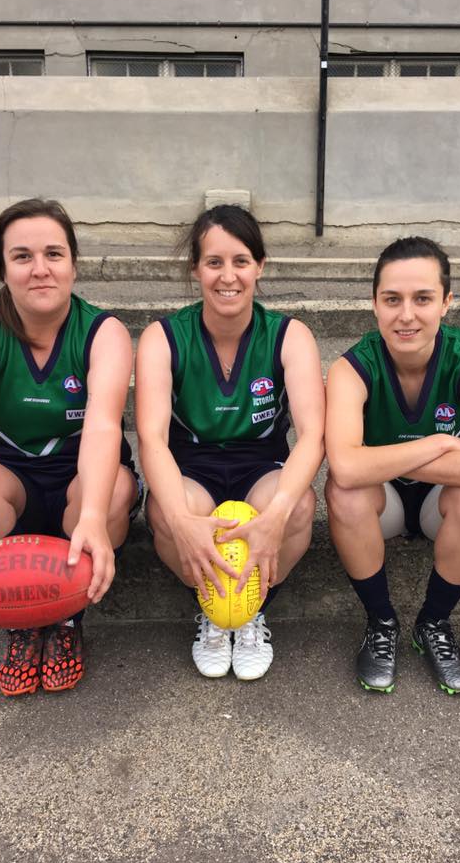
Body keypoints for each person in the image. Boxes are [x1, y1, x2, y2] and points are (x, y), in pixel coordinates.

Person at [0, 198, 141, 696]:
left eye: (53, 254)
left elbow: (102, 428)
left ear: (73, 264)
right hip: (13, 480)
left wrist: (92, 515)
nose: (40, 269)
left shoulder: (103, 332)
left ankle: (67, 619)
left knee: (114, 491)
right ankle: (22, 619)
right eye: (22, 256)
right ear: (2, 269)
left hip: (77, 477)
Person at [135, 205, 324, 680]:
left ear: (260, 266)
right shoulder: (163, 337)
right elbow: (151, 438)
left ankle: (250, 610)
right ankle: (217, 615)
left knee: (299, 506)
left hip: (261, 465)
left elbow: (312, 435)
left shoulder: (289, 335)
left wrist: (277, 514)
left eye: (241, 261)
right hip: (192, 468)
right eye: (214, 262)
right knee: (166, 510)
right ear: (195, 269)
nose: (228, 276)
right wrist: (180, 520)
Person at [325, 236, 460, 694]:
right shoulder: (352, 368)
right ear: (374, 304)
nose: (406, 315)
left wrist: (381, 460)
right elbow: (345, 468)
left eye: (422, 298)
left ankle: (432, 623)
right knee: (344, 493)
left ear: (446, 302)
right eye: (392, 299)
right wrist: (437, 444)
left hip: (438, 502)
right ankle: (381, 622)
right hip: (384, 503)